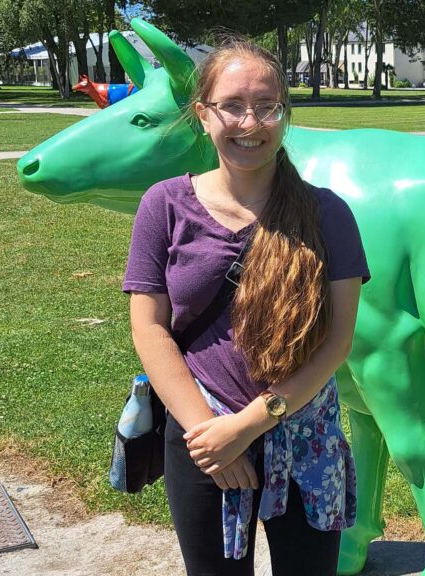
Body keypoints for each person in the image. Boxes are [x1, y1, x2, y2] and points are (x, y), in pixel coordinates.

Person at [122, 37, 370, 576]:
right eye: (232, 105)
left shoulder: (329, 215)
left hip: (305, 437)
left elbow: (337, 341)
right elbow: (150, 329)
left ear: (285, 116)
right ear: (203, 114)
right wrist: (213, 433)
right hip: (202, 436)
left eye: (267, 107)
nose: (249, 123)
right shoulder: (164, 205)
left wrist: (251, 424)